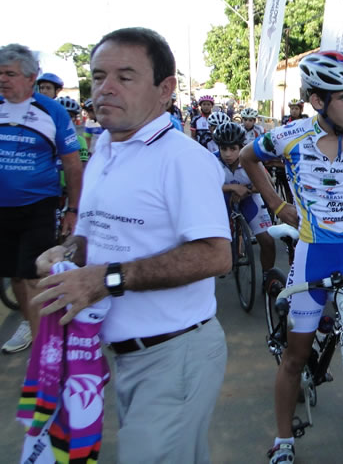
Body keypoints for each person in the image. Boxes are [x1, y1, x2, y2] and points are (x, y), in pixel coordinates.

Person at [32, 27, 231, 463]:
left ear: (165, 89)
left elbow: (215, 255)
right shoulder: (105, 148)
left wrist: (105, 280)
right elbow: (93, 235)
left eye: (125, 77)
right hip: (119, 356)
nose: (106, 88)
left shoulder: (183, 159)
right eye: (98, 76)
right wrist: (67, 253)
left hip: (174, 357)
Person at [240, 51, 343, 463]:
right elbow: (247, 157)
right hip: (311, 256)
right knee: (296, 358)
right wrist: (278, 206)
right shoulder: (289, 136)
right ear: (318, 100)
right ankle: (283, 440)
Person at [0, 44, 83, 353]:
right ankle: (32, 326)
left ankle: (43, 346)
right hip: (2, 208)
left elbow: (73, 165)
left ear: (30, 77)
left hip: (38, 206)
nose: (2, 79)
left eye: (10, 74)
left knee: (35, 275)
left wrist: (73, 209)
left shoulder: (52, 111)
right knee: (16, 276)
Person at [213, 121, 275, 273]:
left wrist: (246, 190)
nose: (228, 154)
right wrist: (232, 188)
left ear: (241, 147)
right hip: (223, 200)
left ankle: (268, 277)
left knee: (268, 241)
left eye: (233, 148)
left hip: (249, 198)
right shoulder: (212, 160)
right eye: (223, 149)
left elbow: (270, 184)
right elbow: (202, 185)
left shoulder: (250, 160)